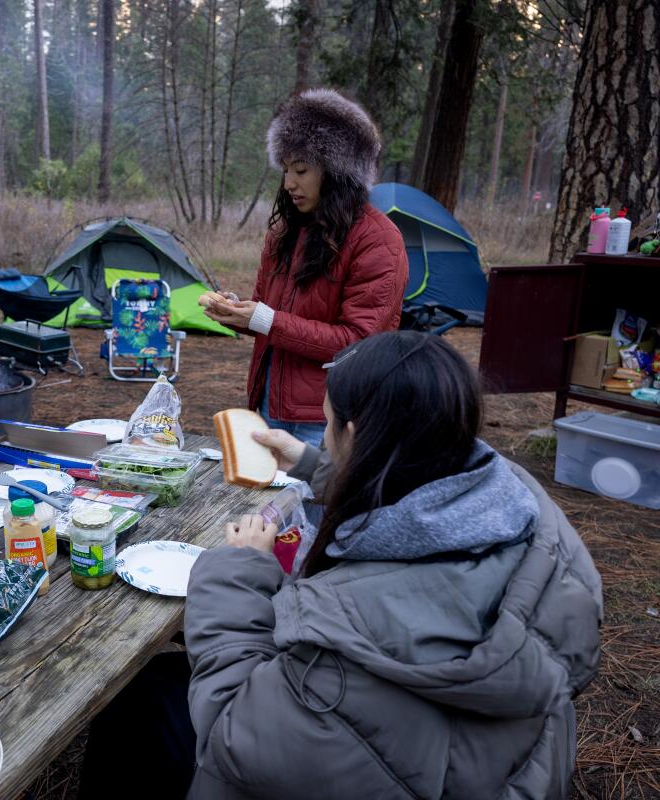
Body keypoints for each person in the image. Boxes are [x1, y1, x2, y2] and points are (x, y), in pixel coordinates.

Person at [80, 331, 603, 799]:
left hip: (396, 758)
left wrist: (237, 574)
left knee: (138, 700)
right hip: (494, 759)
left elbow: (234, 738)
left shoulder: (352, 626)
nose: (323, 435)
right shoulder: (516, 506)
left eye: (328, 425)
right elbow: (412, 487)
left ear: (355, 434)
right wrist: (315, 465)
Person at [204, 89, 409, 448]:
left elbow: (359, 343)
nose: (288, 183)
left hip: (331, 420)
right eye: (285, 170)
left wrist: (265, 320)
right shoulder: (284, 234)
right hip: (269, 405)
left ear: (335, 171)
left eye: (301, 170)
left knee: (317, 504)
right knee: (268, 507)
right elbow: (267, 314)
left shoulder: (378, 240)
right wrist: (237, 312)